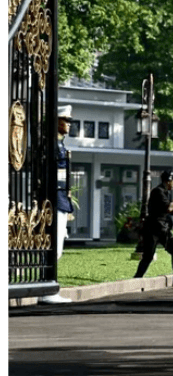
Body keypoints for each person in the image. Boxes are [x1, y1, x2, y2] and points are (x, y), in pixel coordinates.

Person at [39, 105, 76, 304]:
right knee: (53, 248)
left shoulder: (59, 145)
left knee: (57, 247)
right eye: (65, 120)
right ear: (56, 122)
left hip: (60, 200)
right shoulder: (52, 145)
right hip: (53, 200)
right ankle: (47, 289)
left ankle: (47, 287)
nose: (69, 125)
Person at [134, 170, 173, 287]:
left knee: (168, 251)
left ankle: (138, 278)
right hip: (156, 228)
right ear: (168, 180)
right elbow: (168, 208)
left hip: (158, 228)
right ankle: (137, 279)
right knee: (152, 255)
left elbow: (166, 209)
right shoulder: (158, 191)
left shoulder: (163, 192)